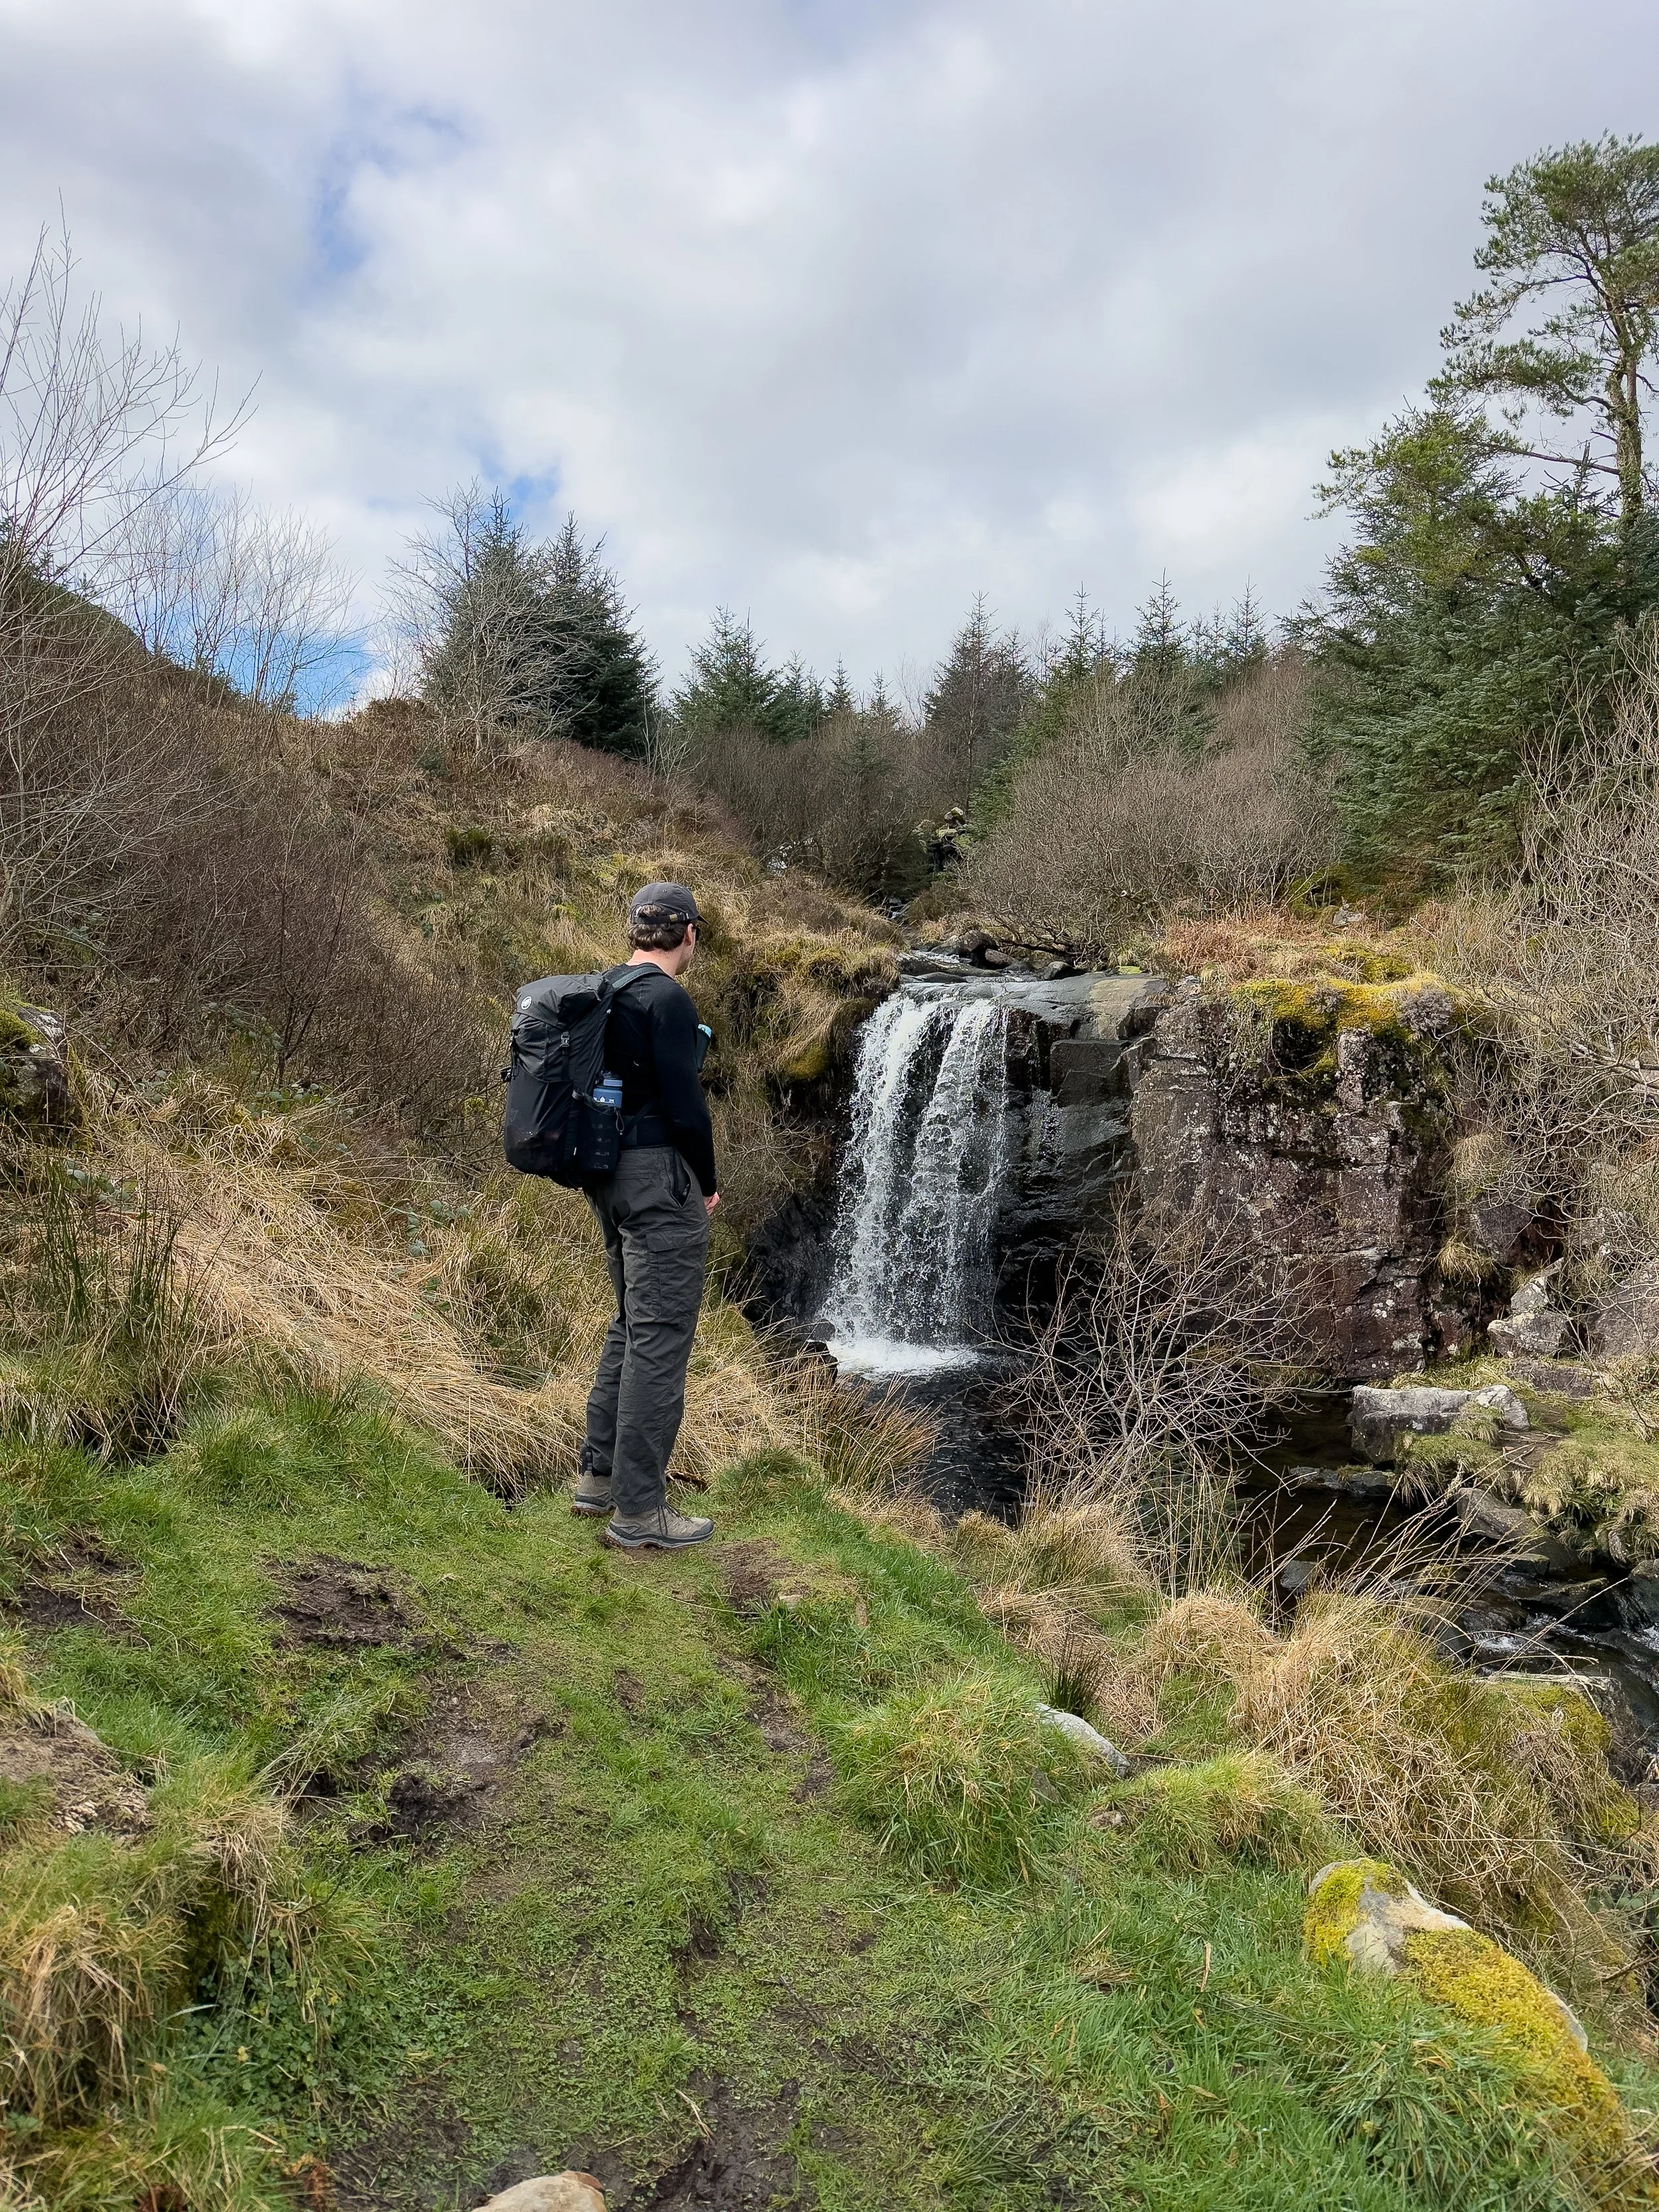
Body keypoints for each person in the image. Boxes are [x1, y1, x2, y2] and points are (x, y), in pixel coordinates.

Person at [573, 881, 721, 1550]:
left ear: (634, 933)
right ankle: (640, 1513)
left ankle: (597, 1479)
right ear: (688, 934)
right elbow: (687, 1109)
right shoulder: (668, 999)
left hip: (606, 1174)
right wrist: (708, 1184)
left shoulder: (604, 988)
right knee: (660, 1336)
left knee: (631, 1323)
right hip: (659, 1179)